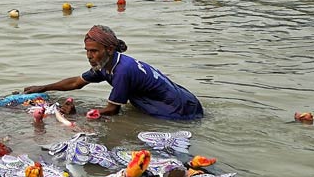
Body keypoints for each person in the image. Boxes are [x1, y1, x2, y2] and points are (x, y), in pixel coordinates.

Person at [23, 25, 203, 120]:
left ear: (109, 49)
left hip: (176, 110)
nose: (89, 55)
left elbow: (112, 110)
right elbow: (76, 82)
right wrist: (43, 87)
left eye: (93, 51)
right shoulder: (106, 65)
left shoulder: (122, 71)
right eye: (86, 50)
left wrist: (77, 114)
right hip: (186, 100)